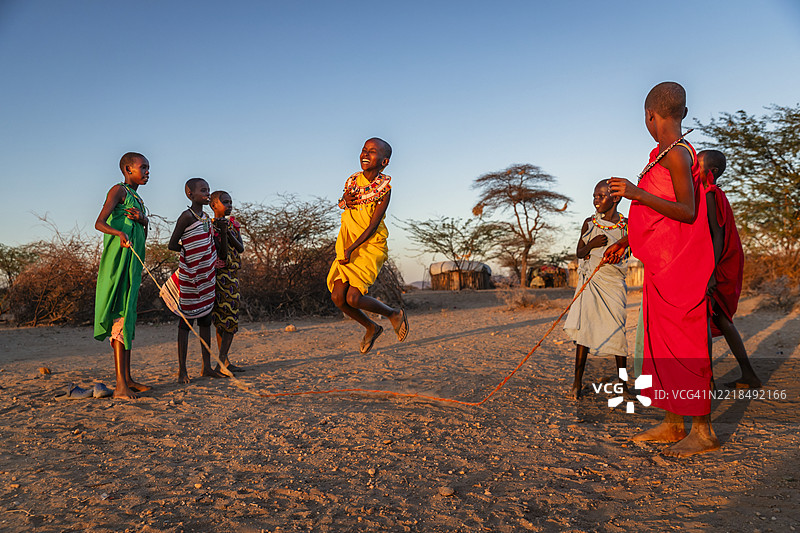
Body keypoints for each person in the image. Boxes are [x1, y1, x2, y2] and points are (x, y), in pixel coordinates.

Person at [605, 82, 719, 458]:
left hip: (680, 267)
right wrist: (627, 241)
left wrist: (636, 193)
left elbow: (687, 211)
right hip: (661, 265)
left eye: (646, 117)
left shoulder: (678, 156)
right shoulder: (664, 153)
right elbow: (657, 214)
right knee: (661, 347)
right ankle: (673, 424)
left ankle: (702, 432)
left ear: (650, 115)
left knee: (685, 345)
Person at [327, 138, 409, 353]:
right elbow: (344, 205)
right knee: (338, 297)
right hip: (347, 240)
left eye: (372, 152)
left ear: (384, 161)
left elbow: (373, 226)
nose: (365, 154)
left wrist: (351, 249)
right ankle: (371, 327)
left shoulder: (384, 189)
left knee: (354, 298)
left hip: (369, 244)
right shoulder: (352, 181)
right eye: (364, 150)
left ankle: (393, 314)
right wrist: (344, 199)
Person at [698, 149, 761, 388]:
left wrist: (710, 272)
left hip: (717, 264)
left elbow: (717, 235)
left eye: (699, 165)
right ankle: (749, 375)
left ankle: (707, 381)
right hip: (718, 262)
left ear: (711, 172)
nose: (693, 168)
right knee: (722, 318)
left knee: (703, 318)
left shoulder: (710, 194)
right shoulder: (707, 193)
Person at [94, 152, 151, 399]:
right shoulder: (119, 190)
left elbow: (142, 226)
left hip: (133, 266)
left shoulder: (137, 199)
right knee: (120, 314)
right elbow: (99, 222)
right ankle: (119, 386)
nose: (148, 172)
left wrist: (143, 218)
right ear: (128, 169)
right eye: (143, 167)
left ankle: (127, 378)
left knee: (128, 316)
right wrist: (118, 234)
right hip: (118, 264)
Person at [564, 179, 629, 399]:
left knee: (618, 330)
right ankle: (577, 382)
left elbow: (637, 244)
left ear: (616, 198)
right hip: (591, 283)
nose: (596, 201)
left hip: (614, 283)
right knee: (585, 332)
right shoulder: (589, 223)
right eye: (594, 196)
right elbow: (580, 253)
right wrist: (592, 245)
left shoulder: (627, 226)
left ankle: (623, 383)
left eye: (601, 196)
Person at [167, 178, 227, 383]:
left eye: (208, 190)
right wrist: (192, 254)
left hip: (206, 276)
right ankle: (182, 370)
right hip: (190, 276)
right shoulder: (186, 216)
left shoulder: (206, 218)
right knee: (185, 323)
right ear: (189, 194)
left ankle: (206, 367)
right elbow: (173, 244)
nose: (207, 193)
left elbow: (211, 244)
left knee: (205, 321)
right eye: (203, 190)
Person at [210, 190, 246, 373]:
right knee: (223, 320)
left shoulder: (232, 225)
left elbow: (240, 248)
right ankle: (221, 362)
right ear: (213, 205)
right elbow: (222, 254)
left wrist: (228, 232)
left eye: (231, 202)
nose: (229, 205)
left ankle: (223, 361)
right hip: (219, 275)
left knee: (229, 319)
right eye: (225, 202)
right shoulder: (210, 226)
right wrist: (222, 232)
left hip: (231, 275)